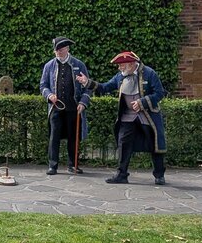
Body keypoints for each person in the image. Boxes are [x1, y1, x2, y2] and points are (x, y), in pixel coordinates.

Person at [78, 51, 168, 185]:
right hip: (127, 116)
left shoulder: (149, 73)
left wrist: (142, 102)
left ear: (131, 64)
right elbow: (105, 87)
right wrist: (87, 83)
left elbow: (160, 93)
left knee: (154, 144)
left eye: (121, 65)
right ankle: (121, 175)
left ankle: (159, 175)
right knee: (123, 143)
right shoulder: (120, 77)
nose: (119, 68)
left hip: (148, 116)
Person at [39, 37, 91, 175]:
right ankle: (53, 165)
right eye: (56, 50)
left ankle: (73, 165)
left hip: (74, 108)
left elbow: (88, 87)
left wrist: (83, 102)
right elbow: (43, 85)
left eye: (61, 49)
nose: (58, 52)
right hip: (55, 108)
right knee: (54, 137)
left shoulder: (79, 65)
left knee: (74, 137)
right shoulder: (49, 66)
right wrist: (49, 95)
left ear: (67, 49)